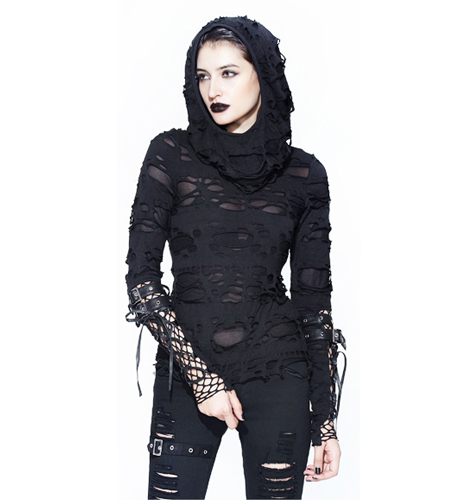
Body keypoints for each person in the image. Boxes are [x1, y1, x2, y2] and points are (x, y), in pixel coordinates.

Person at [126, 15, 346, 500]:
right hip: (187, 368)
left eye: (229, 72)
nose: (213, 89)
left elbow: (314, 306)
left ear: (261, 74)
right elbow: (142, 282)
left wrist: (325, 420)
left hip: (279, 370)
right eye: (203, 76)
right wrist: (203, 380)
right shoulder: (170, 154)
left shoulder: (305, 175)